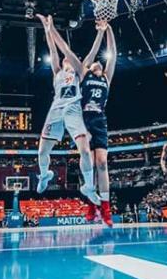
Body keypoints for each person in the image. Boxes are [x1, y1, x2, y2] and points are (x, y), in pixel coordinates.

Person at [35, 14, 101, 206]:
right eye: (65, 59)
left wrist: (100, 33)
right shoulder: (57, 72)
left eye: (70, 58)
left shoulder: (80, 73)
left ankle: (89, 187)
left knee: (86, 152)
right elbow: (52, 49)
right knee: (41, 152)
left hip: (73, 110)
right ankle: (45, 174)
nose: (66, 59)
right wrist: (48, 28)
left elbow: (93, 53)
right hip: (55, 110)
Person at [68, 21, 116, 225]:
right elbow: (86, 56)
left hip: (100, 120)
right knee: (86, 156)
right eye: (94, 62)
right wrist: (98, 33)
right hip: (84, 119)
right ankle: (90, 200)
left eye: (99, 62)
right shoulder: (84, 75)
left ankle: (104, 206)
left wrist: (109, 29)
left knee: (102, 163)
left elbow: (113, 52)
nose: (97, 62)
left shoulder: (106, 78)